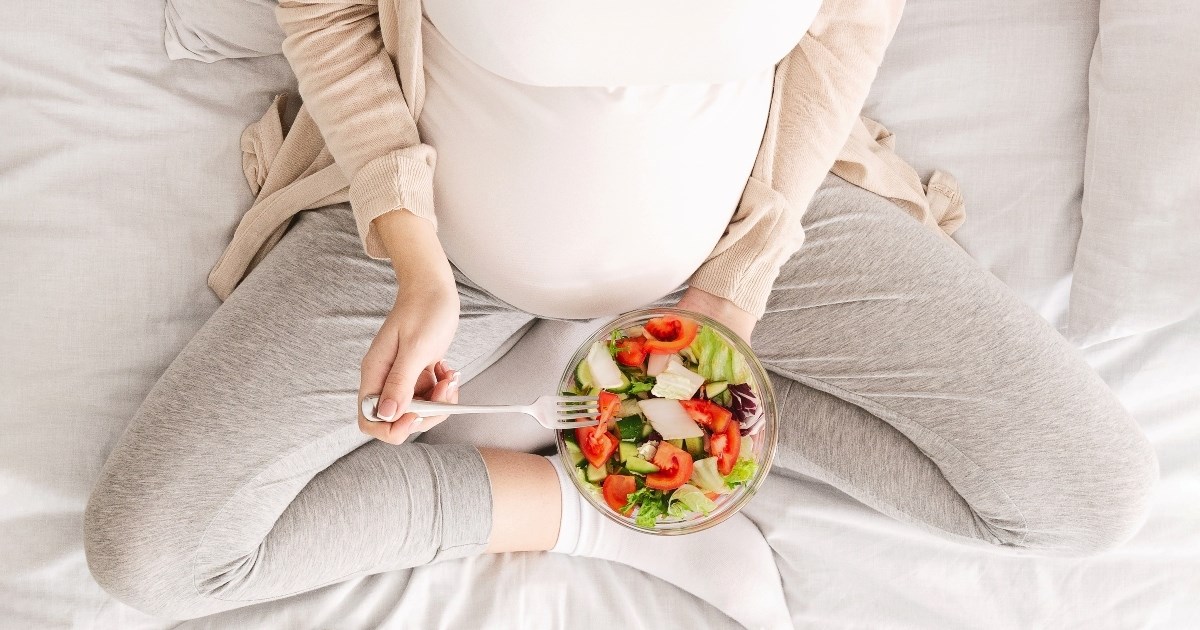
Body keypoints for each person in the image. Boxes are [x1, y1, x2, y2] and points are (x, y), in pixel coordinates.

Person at [83, 0, 1158, 627]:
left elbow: (843, 33)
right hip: (434, 244)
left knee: (1086, 493)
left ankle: (613, 430)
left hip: (753, 232)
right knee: (155, 554)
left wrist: (736, 284)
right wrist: (412, 258)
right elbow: (324, 14)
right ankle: (595, 486)